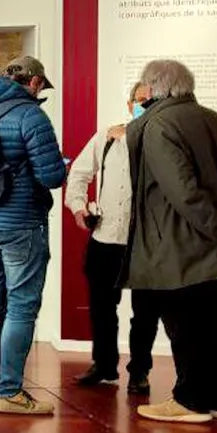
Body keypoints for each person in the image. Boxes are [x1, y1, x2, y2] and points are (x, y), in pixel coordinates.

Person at [124, 60, 217, 425]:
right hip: (216, 246)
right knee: (211, 321)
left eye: (145, 86)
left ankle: (191, 400)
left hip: (177, 245)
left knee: (184, 323)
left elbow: (181, 190)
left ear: (155, 88)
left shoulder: (158, 125)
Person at [0, 57, 67, 415]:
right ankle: (8, 391)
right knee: (21, 305)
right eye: (41, 85)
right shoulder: (31, 115)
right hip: (19, 223)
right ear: (34, 82)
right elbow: (51, 177)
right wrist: (61, 164)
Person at [64, 81, 161, 395]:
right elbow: (79, 173)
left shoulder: (164, 142)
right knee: (101, 307)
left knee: (145, 312)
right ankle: (104, 365)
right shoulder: (106, 137)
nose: (144, 105)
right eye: (140, 100)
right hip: (105, 237)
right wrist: (79, 208)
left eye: (151, 101)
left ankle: (139, 371)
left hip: (145, 241)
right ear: (129, 103)